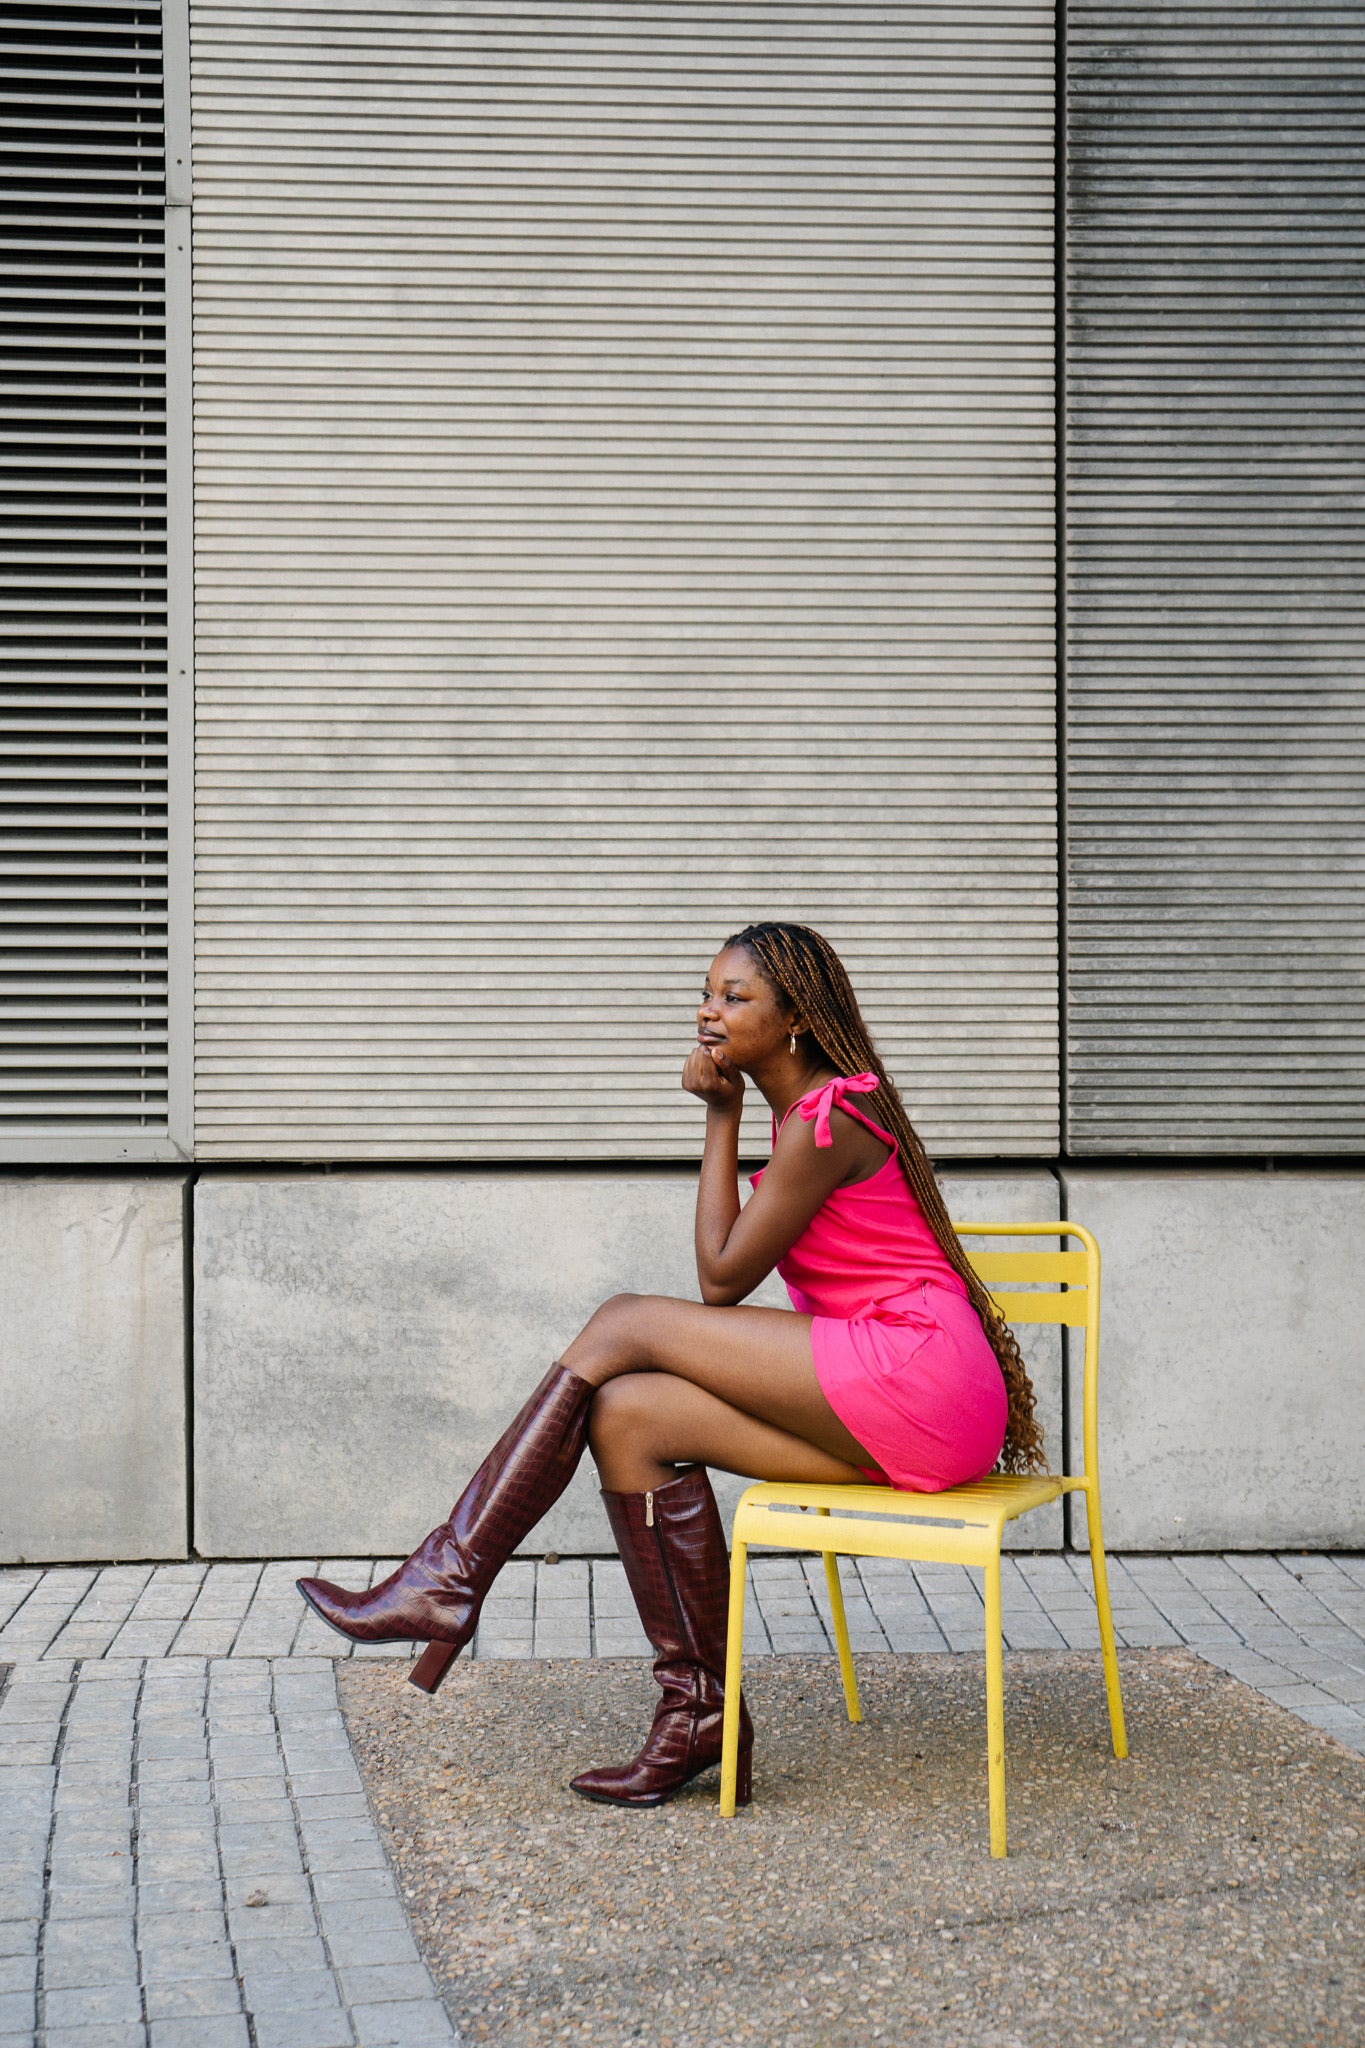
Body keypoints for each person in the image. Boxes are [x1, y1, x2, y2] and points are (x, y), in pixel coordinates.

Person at [298, 921, 1044, 1809]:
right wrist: (728, 1115)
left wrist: (719, 1116)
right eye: (706, 991)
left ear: (797, 1015)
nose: (707, 1012)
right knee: (630, 1416)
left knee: (624, 1323)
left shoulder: (832, 1115)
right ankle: (698, 1713)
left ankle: (447, 1577)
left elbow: (719, 1278)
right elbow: (722, 1267)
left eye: (736, 997)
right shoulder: (802, 1117)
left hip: (918, 1369)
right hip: (890, 1404)